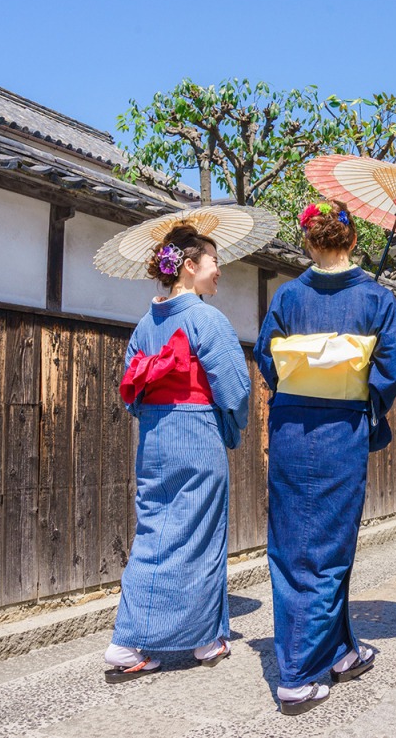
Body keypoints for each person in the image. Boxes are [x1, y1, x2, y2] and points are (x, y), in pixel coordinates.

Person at [255, 201, 396, 715]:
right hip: (340, 429)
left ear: (309, 240)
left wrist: (306, 378)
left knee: (294, 539)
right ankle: (298, 675)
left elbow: (267, 356)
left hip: (289, 428)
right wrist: (361, 387)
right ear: (350, 239)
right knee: (326, 543)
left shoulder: (287, 295)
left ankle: (341, 650)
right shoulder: (374, 297)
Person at [102, 224, 251, 682]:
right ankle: (206, 639)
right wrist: (228, 428)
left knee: (154, 531)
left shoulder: (146, 325)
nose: (219, 270)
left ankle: (126, 642)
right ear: (189, 266)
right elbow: (236, 391)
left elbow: (131, 395)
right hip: (195, 432)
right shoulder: (208, 320)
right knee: (202, 533)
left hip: (154, 438)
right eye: (213, 260)